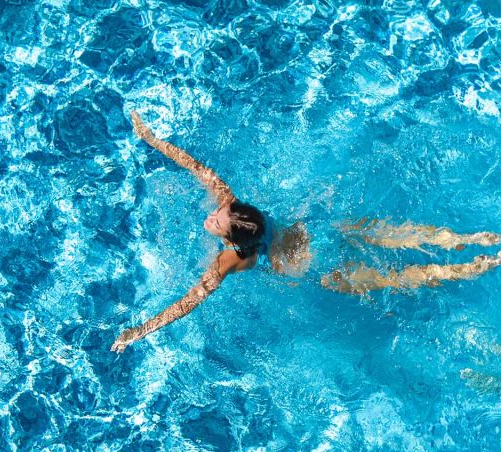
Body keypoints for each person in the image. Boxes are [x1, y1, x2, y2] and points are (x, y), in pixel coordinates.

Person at [110, 111, 501, 353]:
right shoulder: (238, 209)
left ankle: (469, 267)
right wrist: (151, 139)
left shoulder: (229, 259)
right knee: (391, 235)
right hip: (317, 234)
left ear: (233, 240)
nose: (212, 217)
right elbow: (196, 167)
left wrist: (139, 331)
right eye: (218, 214)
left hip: (318, 269)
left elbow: (188, 303)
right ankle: (472, 241)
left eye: (218, 221)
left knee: (394, 278)